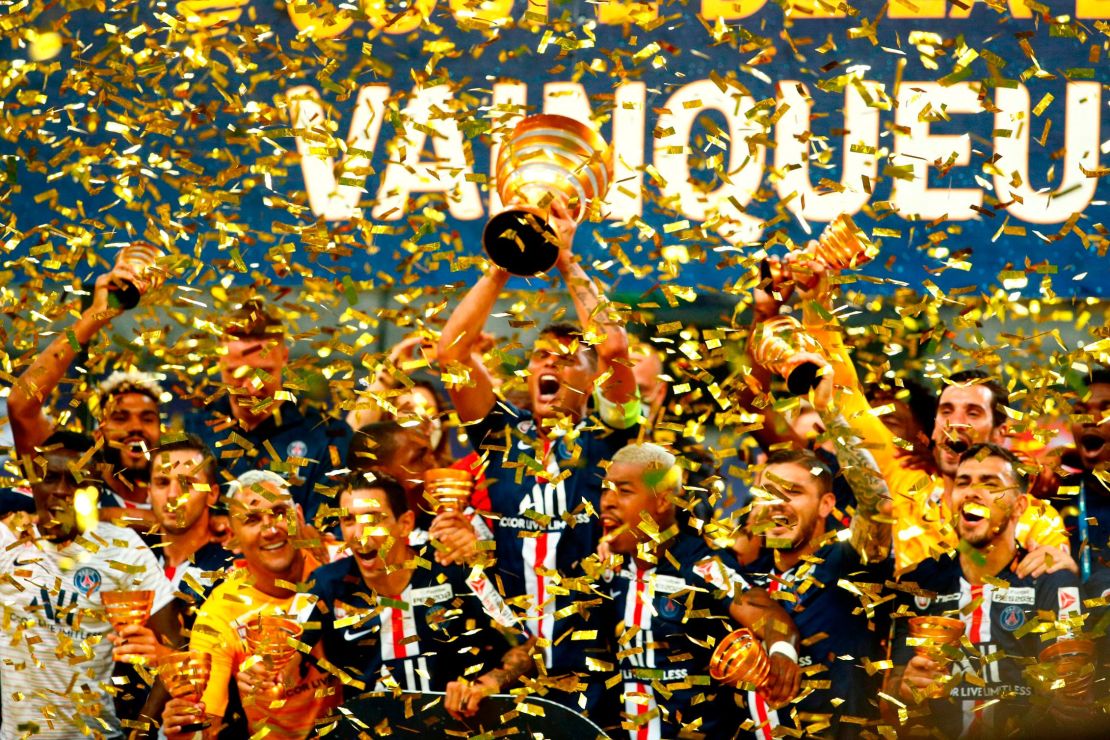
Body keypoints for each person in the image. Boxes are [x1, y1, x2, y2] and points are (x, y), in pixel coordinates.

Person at [435, 207, 639, 724]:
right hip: (508, 654)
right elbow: (450, 354)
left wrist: (564, 258)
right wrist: (504, 262)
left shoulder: (609, 438)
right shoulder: (501, 435)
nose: (549, 363)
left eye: (568, 358)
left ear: (591, 383)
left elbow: (613, 346)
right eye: (540, 356)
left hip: (595, 659)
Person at [780, 255, 1069, 573]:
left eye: (973, 412)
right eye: (946, 411)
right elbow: (845, 396)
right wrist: (816, 301)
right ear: (932, 431)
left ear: (1001, 433)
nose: (955, 422)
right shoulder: (903, 482)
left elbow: (1057, 567)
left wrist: (1054, 560)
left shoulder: (1030, 514)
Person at [598, 442, 801, 739]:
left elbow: (769, 616)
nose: (608, 501)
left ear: (663, 500)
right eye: (606, 489)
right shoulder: (604, 569)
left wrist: (782, 654)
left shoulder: (702, 566)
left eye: (625, 491)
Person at [889, 444, 1086, 737]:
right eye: (963, 482)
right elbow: (889, 707)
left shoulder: (1049, 581)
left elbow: (1076, 706)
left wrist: (1069, 701)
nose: (972, 492)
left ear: (1020, 506)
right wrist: (903, 691)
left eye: (990, 484)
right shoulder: (919, 583)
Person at [302, 473, 535, 718]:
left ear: (405, 523)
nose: (360, 534)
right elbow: (288, 661)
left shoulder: (456, 569)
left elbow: (526, 650)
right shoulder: (327, 586)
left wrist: (486, 684)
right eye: (348, 520)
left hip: (457, 731)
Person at [0, 430, 179, 739]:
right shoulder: (8, 539)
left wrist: (144, 728)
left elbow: (176, 645)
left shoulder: (122, 549)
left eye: (75, 481)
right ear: (33, 482)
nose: (60, 491)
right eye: (50, 478)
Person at [161, 470, 338, 740]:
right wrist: (186, 729)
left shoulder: (340, 567)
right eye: (252, 520)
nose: (270, 529)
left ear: (299, 517)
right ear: (232, 538)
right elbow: (206, 724)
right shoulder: (219, 614)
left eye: (280, 512)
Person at [743, 442, 893, 737]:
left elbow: (879, 504)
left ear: (826, 504)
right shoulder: (746, 581)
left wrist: (833, 414)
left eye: (793, 492)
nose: (776, 502)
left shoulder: (847, 563)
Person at [185, 299, 353, 529]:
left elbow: (328, 535)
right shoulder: (192, 432)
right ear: (218, 361)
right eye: (238, 373)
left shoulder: (328, 436)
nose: (253, 387)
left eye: (264, 373)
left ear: (284, 358)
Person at [147, 433, 235, 613]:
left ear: (212, 494)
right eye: (162, 482)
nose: (173, 495)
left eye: (187, 483)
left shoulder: (230, 569)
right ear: (149, 492)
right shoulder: (132, 557)